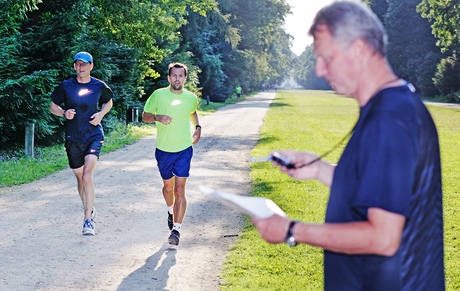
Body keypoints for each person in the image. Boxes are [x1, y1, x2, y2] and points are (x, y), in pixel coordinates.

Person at [251, 1, 445, 290]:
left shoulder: (388, 119)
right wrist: (319, 169)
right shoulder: (395, 105)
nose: (319, 69)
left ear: (358, 49)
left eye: (326, 58)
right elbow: (385, 189)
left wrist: (292, 230)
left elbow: (383, 237)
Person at [50, 51, 113, 236]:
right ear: (74, 66)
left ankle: (88, 220)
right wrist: (64, 113)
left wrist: (100, 115)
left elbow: (108, 103)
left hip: (93, 135)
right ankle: (89, 207)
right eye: (78, 64)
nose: (81, 67)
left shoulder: (98, 86)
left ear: (91, 66)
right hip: (73, 138)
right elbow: (53, 106)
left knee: (87, 176)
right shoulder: (66, 86)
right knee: (80, 179)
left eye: (85, 64)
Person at [142, 62, 202, 246]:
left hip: (184, 149)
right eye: (174, 75)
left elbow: (192, 112)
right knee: (168, 188)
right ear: (169, 78)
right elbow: (145, 116)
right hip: (163, 150)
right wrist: (158, 117)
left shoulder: (191, 98)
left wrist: (198, 127)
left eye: (180, 75)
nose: (177, 79)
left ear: (185, 78)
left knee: (180, 190)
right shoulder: (158, 95)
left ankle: (176, 230)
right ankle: (170, 210)